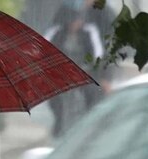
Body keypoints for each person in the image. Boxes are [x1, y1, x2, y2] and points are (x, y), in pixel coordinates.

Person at [44, 0, 105, 136]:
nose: (74, 25)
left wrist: (91, 67)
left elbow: (98, 53)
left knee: (92, 92)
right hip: (61, 71)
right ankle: (59, 120)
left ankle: (89, 122)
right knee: (53, 95)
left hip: (84, 70)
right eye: (71, 21)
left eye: (77, 21)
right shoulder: (56, 32)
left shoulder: (89, 31)